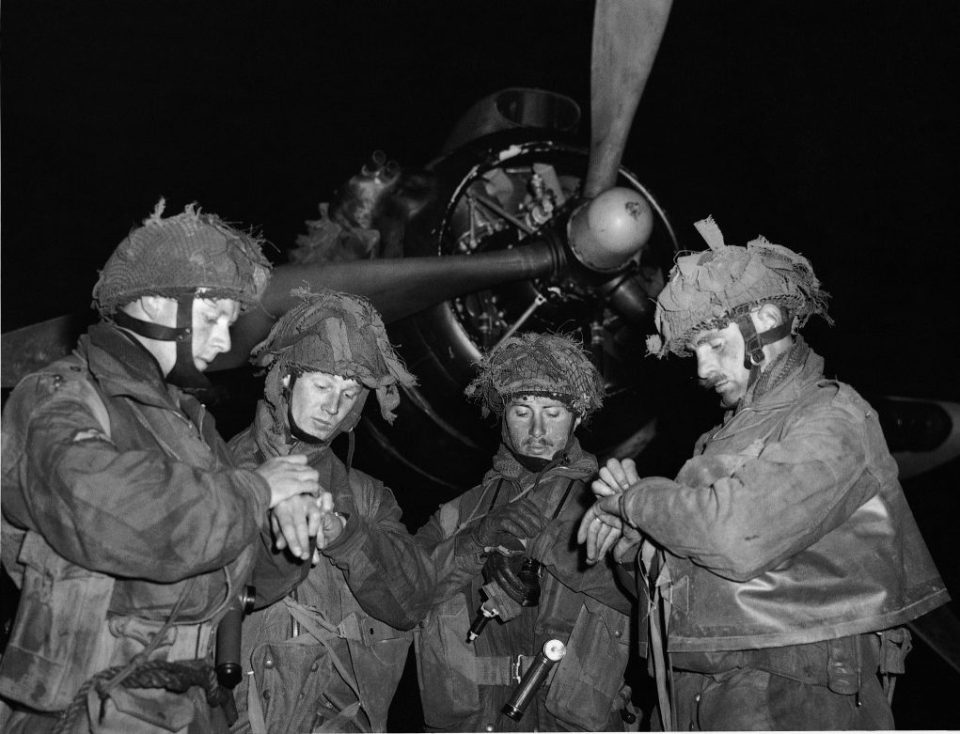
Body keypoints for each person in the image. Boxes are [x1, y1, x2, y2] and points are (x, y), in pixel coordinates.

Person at [578, 217, 950, 730]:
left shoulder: (831, 415)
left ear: (766, 321)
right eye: (695, 353)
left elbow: (734, 535)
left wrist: (636, 501)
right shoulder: (722, 441)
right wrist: (633, 540)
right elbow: (676, 590)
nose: (703, 370)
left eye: (712, 343)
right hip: (707, 693)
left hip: (794, 693)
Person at [0, 200, 326, 734]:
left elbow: (234, 585)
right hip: (88, 711)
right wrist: (252, 493)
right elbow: (112, 516)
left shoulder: (190, 424)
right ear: (153, 301)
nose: (224, 342)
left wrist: (286, 533)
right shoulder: (59, 397)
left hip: (185, 710)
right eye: (214, 317)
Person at [227, 289, 431, 734]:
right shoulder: (215, 471)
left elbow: (412, 604)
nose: (333, 407)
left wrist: (345, 535)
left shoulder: (368, 498)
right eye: (321, 385)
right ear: (285, 380)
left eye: (349, 392)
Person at [412, 332, 636, 732]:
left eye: (552, 412)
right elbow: (404, 591)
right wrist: (477, 539)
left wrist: (559, 547)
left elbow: (649, 602)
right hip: (477, 720)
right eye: (521, 412)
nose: (536, 429)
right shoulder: (460, 513)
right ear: (503, 417)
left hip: (572, 720)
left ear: (578, 417)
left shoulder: (611, 507)